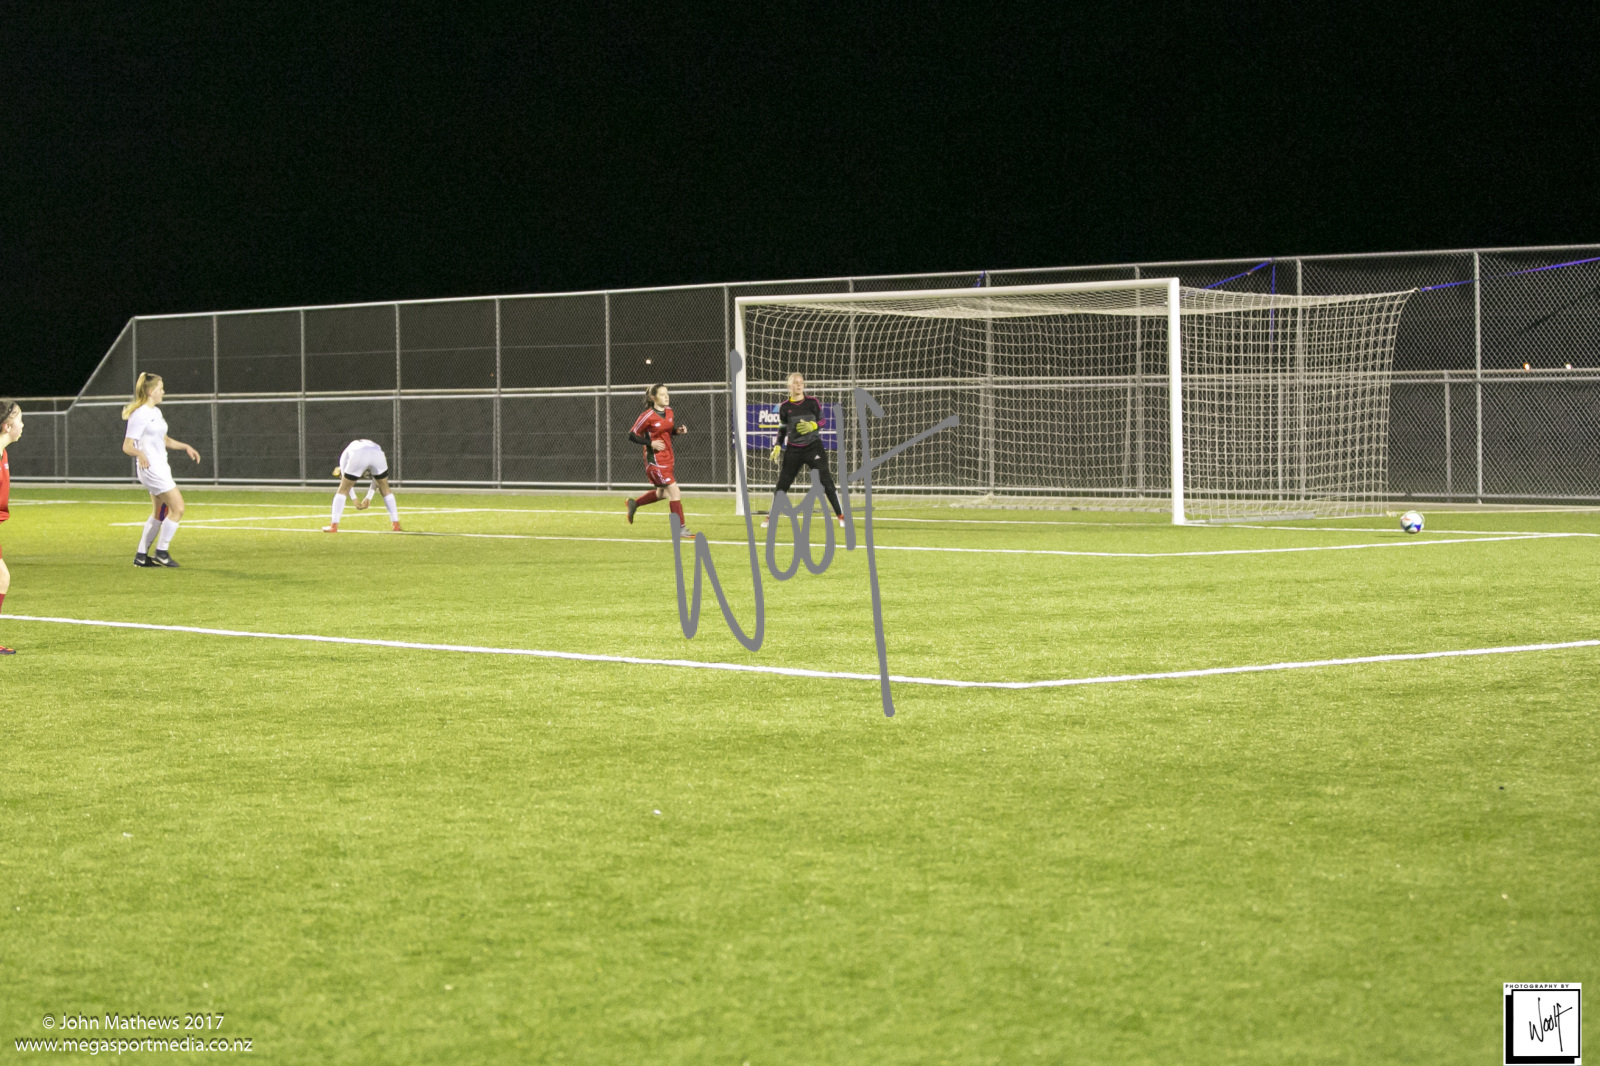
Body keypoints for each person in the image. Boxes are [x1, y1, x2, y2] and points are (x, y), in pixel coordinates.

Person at [122, 373, 201, 568]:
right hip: (151, 469)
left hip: (160, 466)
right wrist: (140, 454)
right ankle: (161, 552)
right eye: (160, 389)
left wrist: (185, 447)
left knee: (159, 513)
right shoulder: (139, 414)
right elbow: (127, 446)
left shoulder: (155, 412)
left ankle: (141, 556)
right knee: (178, 508)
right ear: (151, 391)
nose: (163, 392)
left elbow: (164, 440)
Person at [762, 372, 845, 529]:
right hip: (793, 450)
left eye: (801, 382)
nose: (799, 385)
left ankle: (841, 516)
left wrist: (813, 425)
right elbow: (782, 428)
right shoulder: (785, 407)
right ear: (789, 386)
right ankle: (771, 517)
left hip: (813, 447)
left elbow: (822, 421)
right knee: (782, 485)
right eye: (796, 382)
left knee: (826, 482)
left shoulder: (812, 402)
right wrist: (778, 445)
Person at [624, 384, 691, 535]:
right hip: (655, 460)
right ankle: (680, 529)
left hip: (668, 457)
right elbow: (631, 435)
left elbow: (665, 430)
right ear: (653, 398)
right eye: (662, 394)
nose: (666, 397)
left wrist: (677, 431)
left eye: (667, 393)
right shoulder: (647, 416)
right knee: (674, 492)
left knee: (662, 493)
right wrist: (650, 443)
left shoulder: (669, 411)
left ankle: (634, 503)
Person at [323, 439, 401, 532]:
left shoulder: (344, 457)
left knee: (342, 489)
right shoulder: (368, 446)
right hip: (378, 454)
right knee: (385, 489)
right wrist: (369, 497)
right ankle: (396, 525)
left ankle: (333, 526)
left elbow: (345, 485)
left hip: (358, 454)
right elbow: (376, 480)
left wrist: (354, 499)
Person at [0, 400, 23, 654]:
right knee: (2, 577)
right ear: (7, 426)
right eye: (19, 420)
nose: (23, 425)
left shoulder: (3, 454)